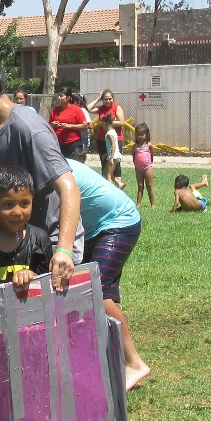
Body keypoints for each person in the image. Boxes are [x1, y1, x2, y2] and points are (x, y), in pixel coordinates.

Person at [0, 54, 83, 292]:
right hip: (24, 243)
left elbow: (69, 187)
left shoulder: (28, 127)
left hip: (52, 245)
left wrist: (64, 250)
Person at [67, 158, 150, 391]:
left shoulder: (49, 168)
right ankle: (105, 360)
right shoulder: (42, 163)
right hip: (94, 229)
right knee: (90, 294)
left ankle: (134, 363)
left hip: (118, 223)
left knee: (96, 292)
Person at [0, 165, 53, 287]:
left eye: (24, 203)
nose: (17, 212)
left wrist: (33, 277)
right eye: (8, 204)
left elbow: (49, 284)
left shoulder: (39, 240)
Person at [88, 89, 126, 173]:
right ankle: (106, 180)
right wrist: (98, 99)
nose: (108, 101)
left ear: (113, 98)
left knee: (115, 164)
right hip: (102, 139)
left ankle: (116, 180)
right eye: (105, 99)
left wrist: (106, 123)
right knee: (104, 163)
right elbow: (88, 109)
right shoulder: (101, 108)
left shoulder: (117, 107)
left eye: (110, 99)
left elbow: (121, 122)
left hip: (115, 139)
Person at [49, 87, 90, 163]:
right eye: (58, 96)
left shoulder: (76, 109)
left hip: (73, 144)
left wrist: (69, 126)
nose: (59, 98)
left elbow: (85, 125)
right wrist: (52, 125)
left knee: (74, 166)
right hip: (58, 144)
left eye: (61, 96)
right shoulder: (54, 111)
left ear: (68, 98)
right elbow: (48, 127)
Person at [132, 122, 155, 208]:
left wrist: (149, 163)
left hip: (147, 167)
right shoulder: (135, 146)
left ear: (146, 135)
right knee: (140, 185)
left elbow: (151, 155)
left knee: (149, 185)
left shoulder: (149, 145)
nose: (140, 136)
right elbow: (134, 156)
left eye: (142, 134)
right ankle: (138, 204)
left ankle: (153, 204)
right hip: (138, 168)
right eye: (138, 134)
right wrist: (136, 165)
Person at [101, 113, 125, 189]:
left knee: (108, 176)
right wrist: (106, 154)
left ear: (104, 123)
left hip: (113, 156)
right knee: (105, 173)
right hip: (115, 155)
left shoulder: (109, 134)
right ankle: (119, 183)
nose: (101, 126)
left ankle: (111, 190)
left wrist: (111, 158)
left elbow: (113, 145)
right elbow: (112, 147)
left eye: (102, 124)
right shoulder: (113, 131)